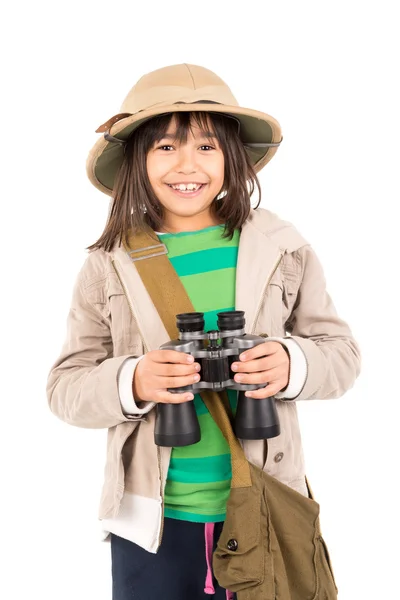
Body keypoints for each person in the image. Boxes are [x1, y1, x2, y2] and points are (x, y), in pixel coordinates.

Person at [46, 63, 361, 600]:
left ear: (233, 158)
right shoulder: (109, 264)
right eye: (165, 147)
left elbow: (343, 357)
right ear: (137, 161)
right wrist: (134, 381)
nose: (186, 165)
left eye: (207, 147)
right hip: (153, 521)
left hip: (265, 503)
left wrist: (291, 364)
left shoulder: (282, 246)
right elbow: (65, 389)